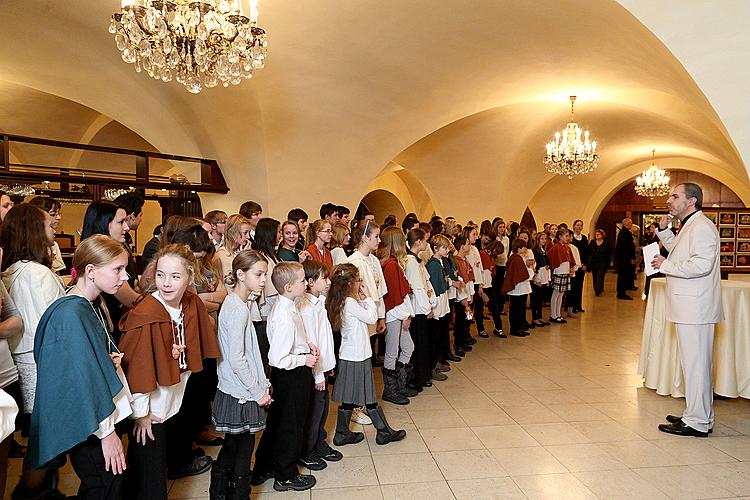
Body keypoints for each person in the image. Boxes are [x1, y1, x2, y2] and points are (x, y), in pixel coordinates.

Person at [29, 235, 133, 499]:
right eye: (117, 269)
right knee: (104, 483)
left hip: (93, 417)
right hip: (90, 422)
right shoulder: (72, 313)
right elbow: (80, 378)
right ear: (90, 271)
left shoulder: (86, 304)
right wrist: (107, 434)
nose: (125, 277)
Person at [119, 244, 219, 500]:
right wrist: (141, 415)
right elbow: (135, 368)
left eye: (175, 276)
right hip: (149, 411)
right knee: (148, 476)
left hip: (172, 402)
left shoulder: (190, 303)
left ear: (189, 276)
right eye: (161, 274)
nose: (166, 283)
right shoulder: (146, 312)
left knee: (154, 466)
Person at [651, 183, 722, 438]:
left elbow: (701, 264)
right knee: (693, 364)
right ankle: (698, 414)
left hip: (696, 308)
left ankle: (697, 422)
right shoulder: (691, 225)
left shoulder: (701, 227)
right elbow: (681, 253)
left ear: (691, 201)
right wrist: (663, 232)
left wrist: (666, 265)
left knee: (696, 365)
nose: (669, 201)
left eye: (674, 196)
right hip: (690, 307)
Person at [250, 262, 318, 492]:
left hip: (291, 371)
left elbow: (291, 339)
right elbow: (277, 358)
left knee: (278, 422)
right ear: (289, 286)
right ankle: (285, 475)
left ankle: (264, 467)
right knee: (292, 425)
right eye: (302, 280)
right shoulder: (283, 314)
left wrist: (305, 344)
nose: (306, 283)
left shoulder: (288, 305)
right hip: (292, 374)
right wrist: (303, 359)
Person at [210, 250, 271, 499]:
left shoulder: (238, 303)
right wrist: (258, 391)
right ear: (240, 275)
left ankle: (220, 492)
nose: (264, 280)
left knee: (234, 445)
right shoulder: (238, 308)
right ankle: (237, 494)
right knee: (243, 448)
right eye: (258, 274)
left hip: (237, 387)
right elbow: (237, 358)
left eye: (265, 274)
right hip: (241, 391)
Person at [327, 264, 406, 446]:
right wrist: (369, 297)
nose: (360, 283)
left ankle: (342, 433)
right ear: (350, 283)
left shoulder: (344, 301)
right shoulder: (349, 302)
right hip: (357, 355)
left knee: (349, 397)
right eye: (358, 280)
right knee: (368, 396)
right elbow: (371, 317)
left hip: (351, 354)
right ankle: (383, 432)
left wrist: (362, 301)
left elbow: (359, 315)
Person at [298, 260, 342, 470]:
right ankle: (307, 450)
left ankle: (318, 442)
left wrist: (329, 365)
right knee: (314, 411)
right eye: (324, 278)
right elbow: (312, 343)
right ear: (310, 282)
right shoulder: (307, 308)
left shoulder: (319, 302)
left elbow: (326, 339)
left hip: (323, 366)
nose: (328, 281)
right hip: (315, 370)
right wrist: (318, 375)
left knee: (323, 409)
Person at [81, 200, 140, 342]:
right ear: (103, 224)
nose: (126, 227)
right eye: (121, 222)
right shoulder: (104, 260)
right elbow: (131, 299)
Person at [376, 227, 414, 405]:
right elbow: (394, 295)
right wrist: (406, 315)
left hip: (398, 313)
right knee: (392, 352)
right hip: (394, 314)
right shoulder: (390, 264)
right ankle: (390, 390)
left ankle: (400, 384)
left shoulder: (392, 262)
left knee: (407, 347)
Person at [405, 229, 441, 387]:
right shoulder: (411, 261)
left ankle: (424, 374)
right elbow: (418, 288)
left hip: (423, 307)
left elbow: (426, 283)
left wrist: (431, 301)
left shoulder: (417, 260)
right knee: (419, 345)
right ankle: (418, 377)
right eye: (426, 240)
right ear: (418, 241)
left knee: (424, 343)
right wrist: (427, 308)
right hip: (418, 310)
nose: (427, 243)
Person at [502, 239, 534, 337]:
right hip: (518, 289)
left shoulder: (517, 257)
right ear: (519, 248)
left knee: (519, 309)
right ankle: (515, 328)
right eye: (524, 247)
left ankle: (519, 327)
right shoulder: (517, 259)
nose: (525, 249)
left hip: (520, 289)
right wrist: (531, 270)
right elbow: (523, 275)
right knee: (516, 309)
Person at [27, 196, 65, 273]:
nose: (58, 217)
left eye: (59, 214)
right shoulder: (27, 244)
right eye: (53, 214)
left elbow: (57, 273)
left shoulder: (54, 245)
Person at [547, 228, 575, 323]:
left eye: (568, 236)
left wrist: (571, 268)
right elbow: (551, 257)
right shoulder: (555, 247)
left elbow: (570, 259)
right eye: (566, 236)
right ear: (560, 237)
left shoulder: (567, 247)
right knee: (556, 294)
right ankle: (553, 315)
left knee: (561, 294)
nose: (568, 238)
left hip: (565, 272)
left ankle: (558, 314)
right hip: (558, 272)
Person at [569, 219, 590, 313]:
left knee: (580, 285)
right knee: (573, 286)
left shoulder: (584, 238)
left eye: (581, 225)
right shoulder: (571, 238)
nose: (579, 227)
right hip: (574, 265)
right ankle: (571, 306)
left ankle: (578, 305)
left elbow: (586, 252)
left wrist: (585, 264)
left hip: (582, 265)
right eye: (577, 225)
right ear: (574, 226)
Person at [530, 232, 550, 328]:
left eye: (545, 239)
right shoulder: (535, 251)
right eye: (542, 238)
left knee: (540, 298)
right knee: (535, 298)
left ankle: (540, 316)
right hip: (537, 278)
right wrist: (537, 279)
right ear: (538, 240)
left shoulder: (543, 250)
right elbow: (535, 266)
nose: (544, 240)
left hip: (543, 277)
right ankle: (535, 318)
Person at [615, 218, 636, 300]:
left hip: (623, 258)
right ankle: (621, 294)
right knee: (622, 276)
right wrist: (632, 257)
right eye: (631, 223)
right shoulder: (625, 233)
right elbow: (628, 247)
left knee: (622, 276)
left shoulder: (624, 232)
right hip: (625, 259)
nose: (632, 225)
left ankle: (622, 292)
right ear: (627, 224)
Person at [588, 228, 611, 296]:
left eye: (598, 234)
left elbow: (609, 252)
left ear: (602, 235)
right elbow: (589, 251)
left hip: (603, 262)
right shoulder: (592, 242)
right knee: (595, 276)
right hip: (594, 262)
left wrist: (611, 261)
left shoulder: (606, 242)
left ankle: (599, 289)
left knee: (600, 275)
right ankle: (596, 289)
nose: (597, 235)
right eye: (596, 234)